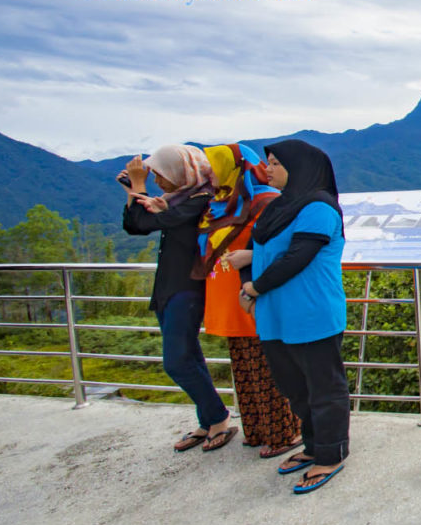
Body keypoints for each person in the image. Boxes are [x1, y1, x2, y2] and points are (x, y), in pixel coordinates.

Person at [237, 139, 350, 495]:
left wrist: (253, 289)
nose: (267, 169)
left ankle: (331, 453)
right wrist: (248, 286)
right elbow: (253, 253)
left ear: (298, 167)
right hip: (275, 316)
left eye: (275, 163)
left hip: (312, 313)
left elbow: (297, 257)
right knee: (294, 387)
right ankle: (314, 445)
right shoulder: (276, 210)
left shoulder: (319, 208)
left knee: (324, 388)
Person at [119, 144, 236, 452]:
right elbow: (135, 226)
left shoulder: (200, 200)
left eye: (160, 175)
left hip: (188, 288)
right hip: (168, 287)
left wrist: (139, 188)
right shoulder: (176, 200)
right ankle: (207, 421)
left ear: (181, 171)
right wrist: (133, 191)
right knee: (189, 356)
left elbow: (151, 222)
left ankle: (219, 417)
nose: (158, 182)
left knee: (176, 362)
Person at [199, 144, 301, 459]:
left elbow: (287, 249)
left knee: (269, 368)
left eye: (213, 169)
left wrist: (251, 260)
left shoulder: (265, 202)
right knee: (244, 367)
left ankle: (284, 432)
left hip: (260, 296)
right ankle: (256, 430)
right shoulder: (222, 205)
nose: (209, 176)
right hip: (232, 300)